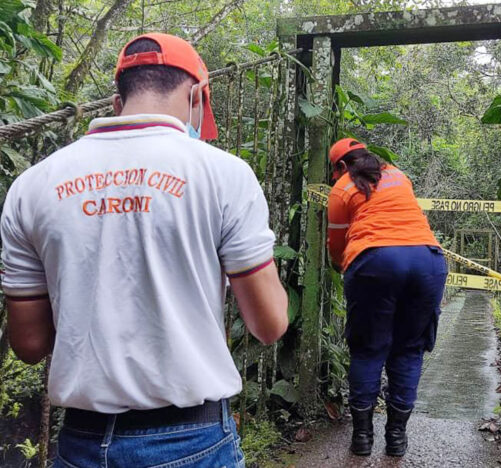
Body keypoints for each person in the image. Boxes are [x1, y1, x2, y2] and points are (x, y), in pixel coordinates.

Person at [1, 33, 288, 467]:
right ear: (197, 95)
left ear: (118, 102)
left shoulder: (32, 187)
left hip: (79, 440)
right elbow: (269, 325)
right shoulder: (224, 175)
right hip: (192, 441)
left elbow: (29, 343)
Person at [327, 138, 448, 457]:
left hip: (375, 261)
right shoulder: (398, 174)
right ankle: (396, 438)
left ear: (340, 166)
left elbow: (337, 250)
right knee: (408, 351)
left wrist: (349, 271)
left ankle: (362, 438)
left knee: (367, 351)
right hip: (428, 260)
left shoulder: (342, 186)